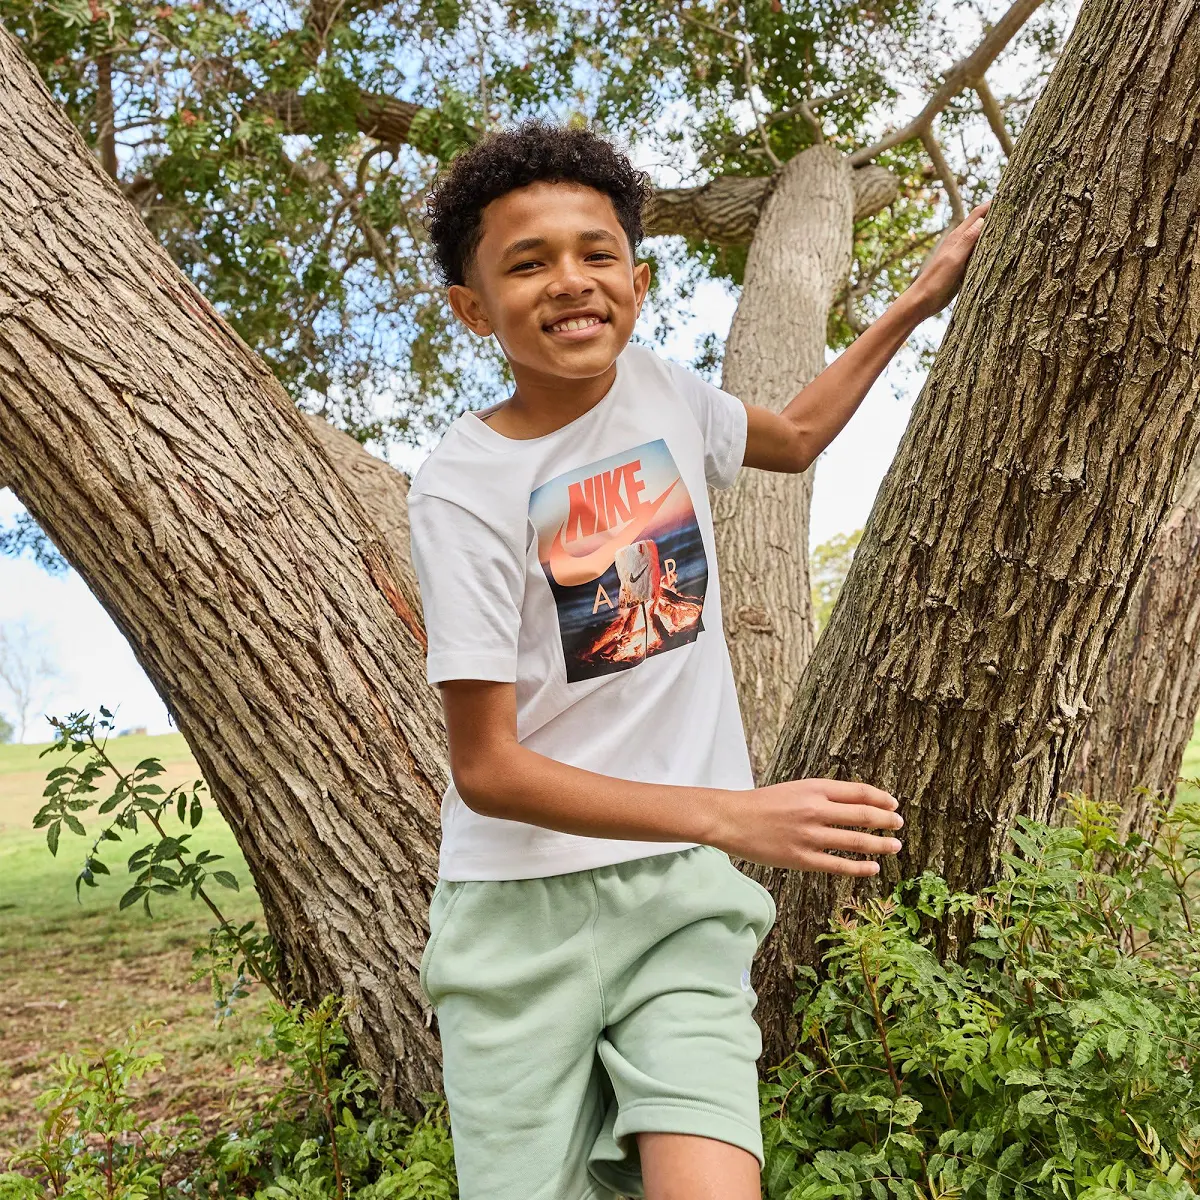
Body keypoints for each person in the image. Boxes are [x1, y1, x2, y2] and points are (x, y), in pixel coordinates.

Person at [408, 120, 990, 1200]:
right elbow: (486, 768)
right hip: (518, 919)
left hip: (680, 898)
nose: (570, 281)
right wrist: (731, 815)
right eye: (527, 264)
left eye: (596, 253)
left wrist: (918, 298)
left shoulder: (662, 390)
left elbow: (797, 435)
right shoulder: (462, 487)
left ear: (639, 281)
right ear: (472, 308)